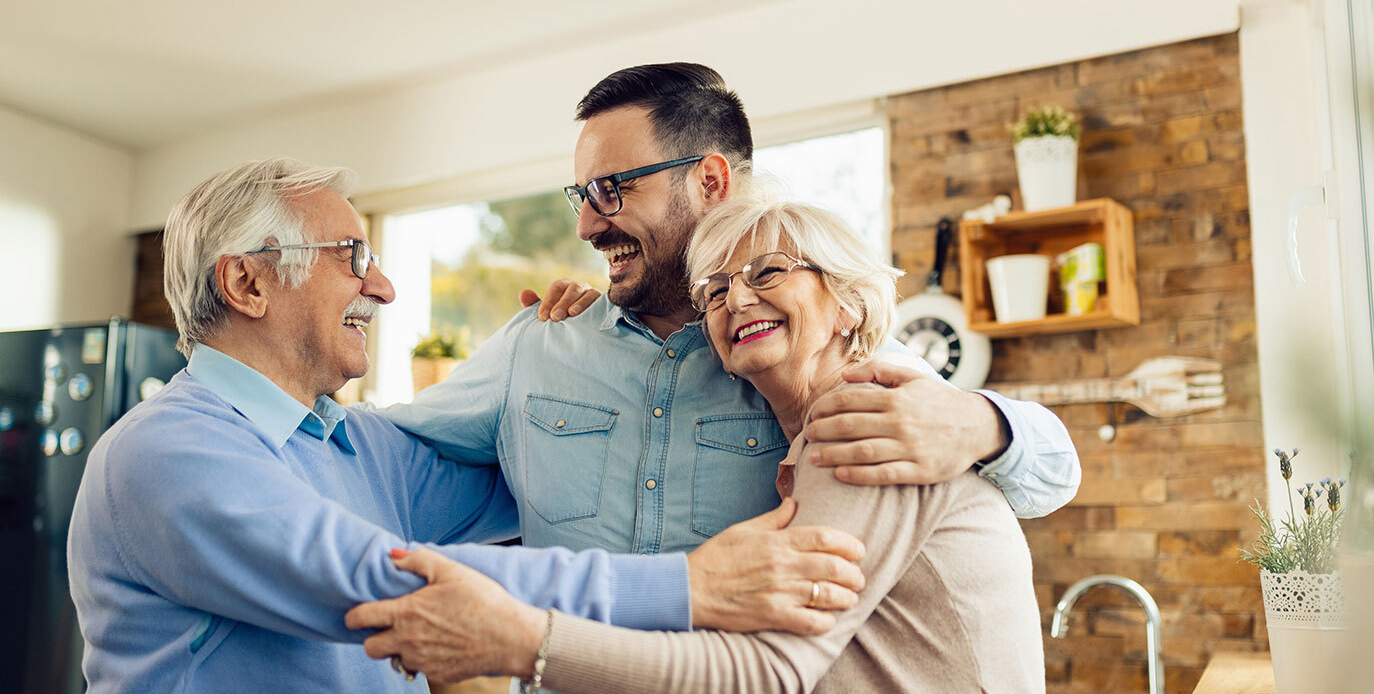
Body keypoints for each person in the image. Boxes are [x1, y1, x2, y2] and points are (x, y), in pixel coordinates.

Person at [67, 158, 867, 693]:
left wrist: (595, 356)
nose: (382, 286)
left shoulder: (355, 443)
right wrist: (693, 587)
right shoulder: (165, 452)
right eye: (352, 253)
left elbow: (562, 461)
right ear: (245, 281)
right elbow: (391, 581)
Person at [375, 66, 1079, 634]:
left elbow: (1054, 474)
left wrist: (983, 423)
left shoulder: (810, 353)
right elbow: (380, 455)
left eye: (611, 190)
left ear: (709, 181)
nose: (588, 223)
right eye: (581, 195)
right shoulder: (539, 343)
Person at [350, 193, 1045, 692]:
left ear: (850, 303)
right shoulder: (809, 433)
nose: (735, 300)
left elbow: (769, 671)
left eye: (767, 272)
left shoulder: (871, 422)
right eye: (714, 290)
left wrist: (519, 639)